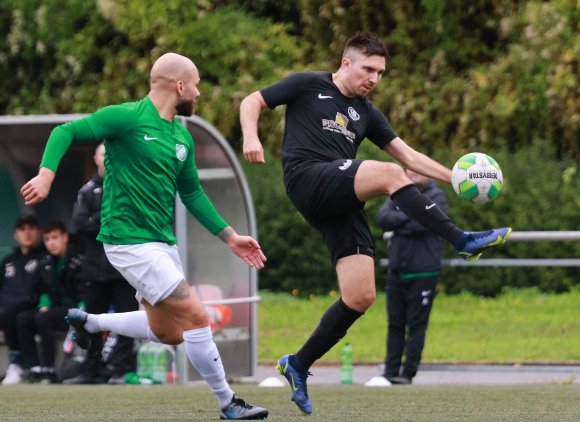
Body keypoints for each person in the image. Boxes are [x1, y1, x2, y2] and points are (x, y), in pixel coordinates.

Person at [239, 32, 511, 414]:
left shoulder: (365, 112)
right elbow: (253, 100)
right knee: (387, 173)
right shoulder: (308, 83)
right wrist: (251, 135)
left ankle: (297, 364)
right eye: (368, 69)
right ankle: (461, 240)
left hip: (339, 196)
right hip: (306, 177)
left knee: (360, 295)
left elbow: (410, 156)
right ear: (346, 63)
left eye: (381, 72)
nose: (374, 78)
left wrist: (458, 177)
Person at [20, 53, 268, 420]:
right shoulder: (128, 117)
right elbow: (65, 131)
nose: (198, 92)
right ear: (179, 85)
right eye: (196, 84)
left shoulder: (181, 135)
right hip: (128, 242)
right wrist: (45, 175)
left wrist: (229, 236)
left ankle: (91, 321)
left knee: (168, 332)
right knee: (197, 317)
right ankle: (228, 402)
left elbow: (193, 194)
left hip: (162, 244)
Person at [63, 142, 139, 385]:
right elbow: (78, 226)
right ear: (96, 158)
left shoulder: (129, 187)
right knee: (91, 321)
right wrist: (105, 220)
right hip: (95, 269)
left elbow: (131, 221)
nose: (107, 159)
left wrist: (95, 220)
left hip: (123, 269)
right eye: (103, 155)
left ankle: (121, 369)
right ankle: (91, 369)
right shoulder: (87, 191)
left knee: (128, 320)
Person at [376, 169, 447, 385]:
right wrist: (411, 214)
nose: (412, 172)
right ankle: (389, 372)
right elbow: (382, 219)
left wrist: (401, 220)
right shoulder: (398, 193)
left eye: (417, 169)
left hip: (423, 272)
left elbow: (424, 223)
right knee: (395, 323)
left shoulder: (437, 197)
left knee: (416, 325)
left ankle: (408, 373)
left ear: (427, 174)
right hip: (397, 271)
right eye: (408, 169)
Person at [17, 220, 83, 384]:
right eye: (47, 239)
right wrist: (44, 303)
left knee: (43, 318)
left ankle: (49, 369)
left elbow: (85, 291)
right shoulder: (47, 261)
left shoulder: (78, 258)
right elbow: (42, 289)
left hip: (76, 310)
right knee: (23, 318)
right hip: (56, 311)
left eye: (54, 237)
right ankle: (34, 367)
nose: (51, 243)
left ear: (65, 237)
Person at [0, 214, 44, 385]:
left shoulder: (44, 258)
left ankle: (16, 362)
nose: (27, 233)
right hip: (6, 310)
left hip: (31, 309)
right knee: (9, 313)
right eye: (22, 229)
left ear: (38, 232)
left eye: (31, 229)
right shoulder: (8, 261)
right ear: (15, 234)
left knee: (18, 317)